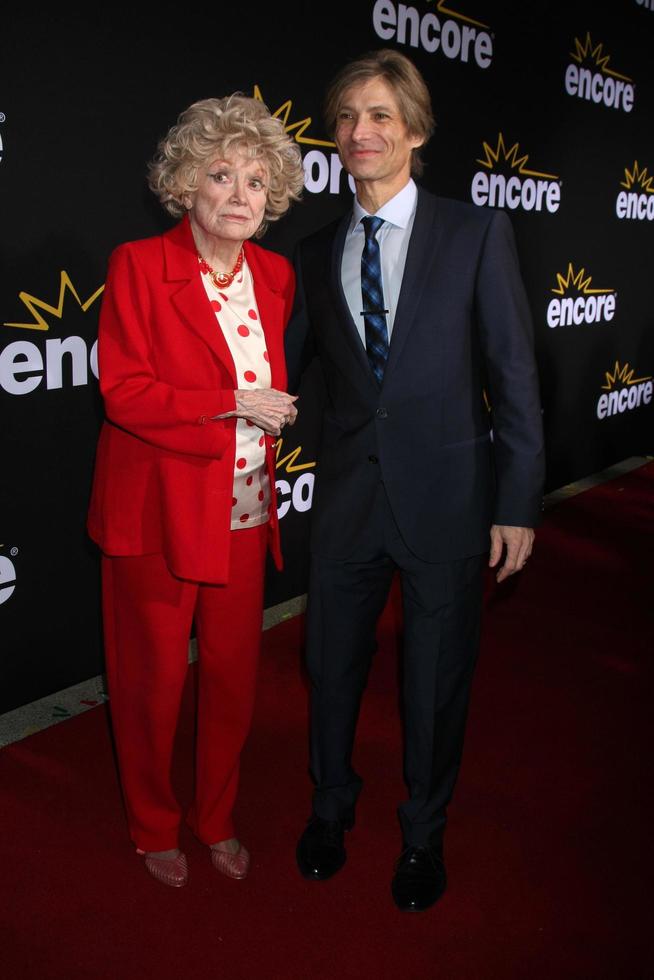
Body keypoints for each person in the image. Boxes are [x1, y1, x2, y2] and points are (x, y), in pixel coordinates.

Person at [286, 50, 545, 912]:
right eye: (349, 117)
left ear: (416, 131)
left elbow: (513, 373)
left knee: (435, 682)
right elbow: (281, 376)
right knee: (330, 668)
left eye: (381, 117)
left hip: (449, 499)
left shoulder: (474, 232)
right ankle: (331, 810)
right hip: (348, 504)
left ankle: (423, 835)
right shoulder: (314, 251)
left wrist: (517, 499)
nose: (362, 132)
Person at [87, 95, 303, 888]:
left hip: (245, 513)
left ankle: (217, 817)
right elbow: (125, 393)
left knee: (234, 679)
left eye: (257, 179)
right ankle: (153, 825)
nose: (241, 194)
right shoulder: (139, 265)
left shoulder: (277, 275)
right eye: (221, 174)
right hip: (158, 515)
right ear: (185, 184)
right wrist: (232, 403)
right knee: (151, 686)